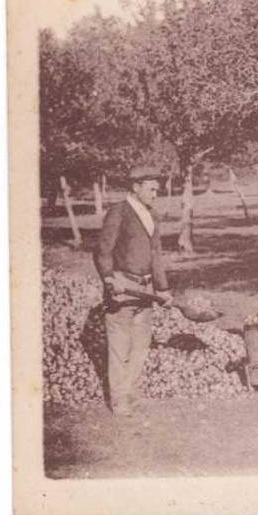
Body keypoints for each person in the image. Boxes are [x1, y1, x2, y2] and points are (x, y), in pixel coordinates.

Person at [94, 166, 172, 415]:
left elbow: (156, 255)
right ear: (136, 187)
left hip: (146, 289)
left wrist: (163, 288)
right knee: (120, 347)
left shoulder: (151, 215)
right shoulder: (119, 212)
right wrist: (109, 279)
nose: (155, 194)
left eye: (157, 190)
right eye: (151, 189)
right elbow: (103, 250)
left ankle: (128, 391)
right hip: (122, 287)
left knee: (140, 345)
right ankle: (118, 400)